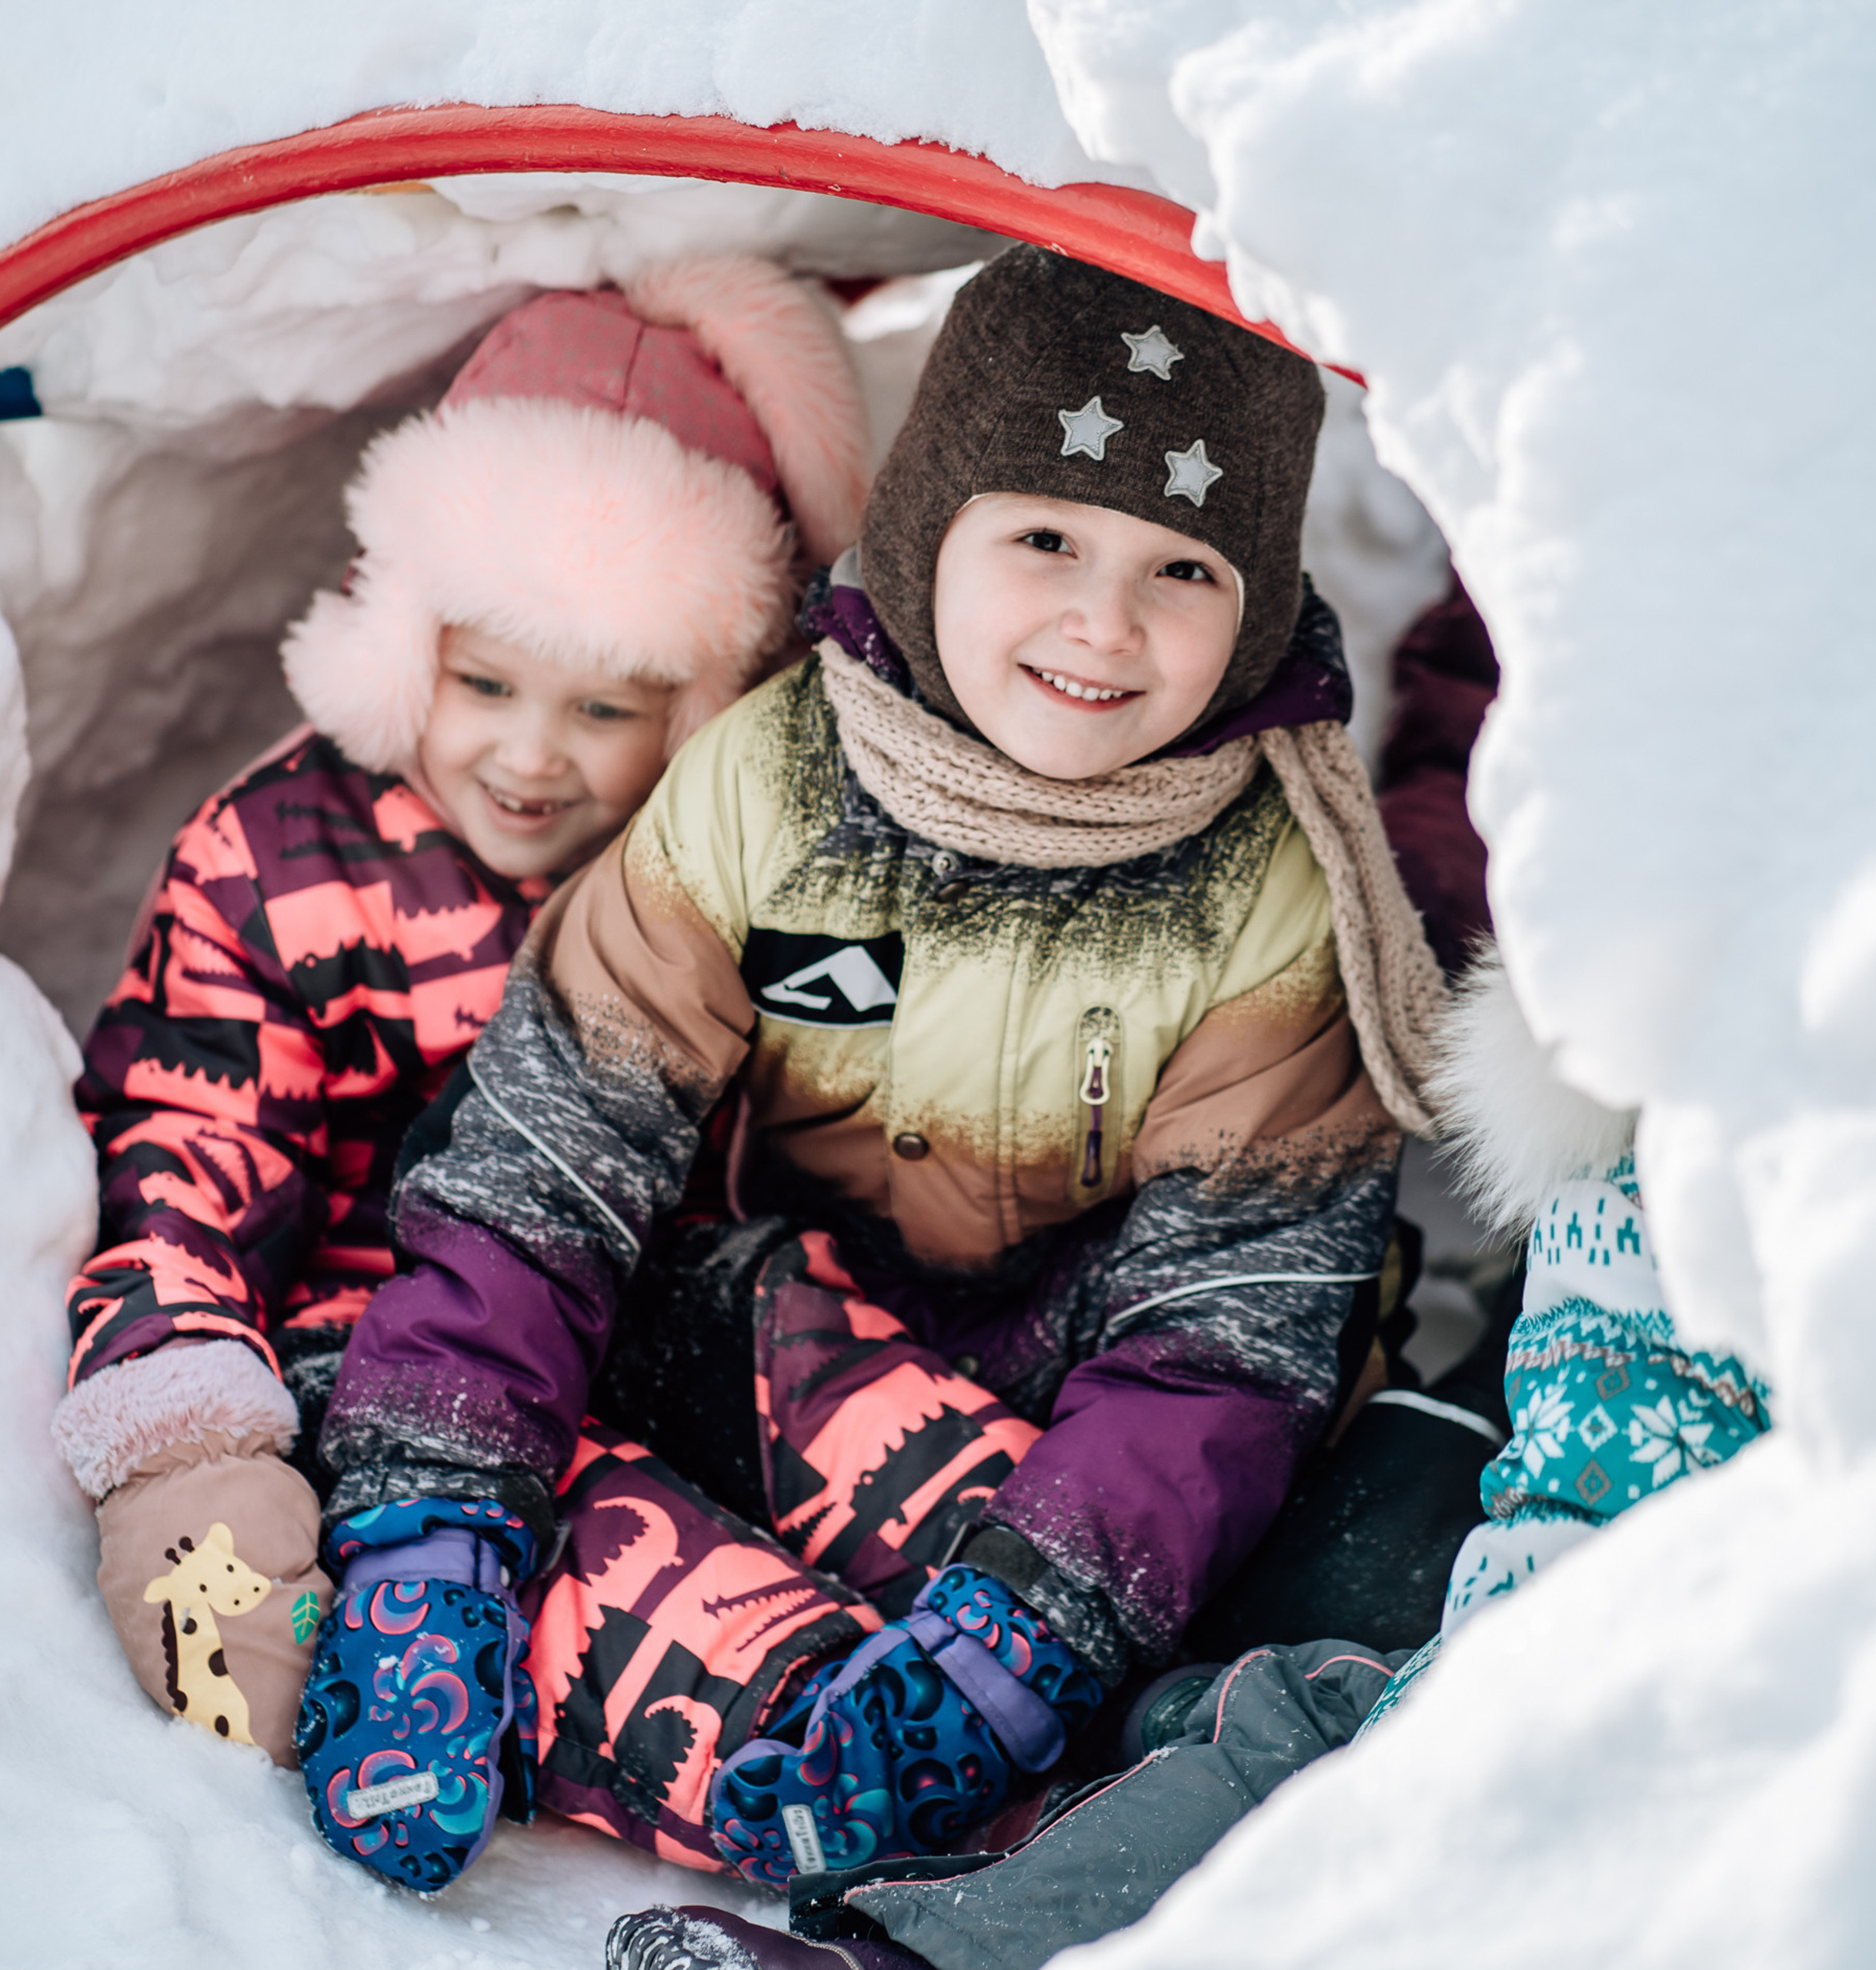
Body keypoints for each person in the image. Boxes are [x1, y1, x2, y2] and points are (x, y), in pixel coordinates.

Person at [299, 243, 1449, 1894]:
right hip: (783, 1326)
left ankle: (1002, 1784)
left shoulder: (1265, 899)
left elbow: (1222, 1338)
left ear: (1256, 603)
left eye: (1180, 569)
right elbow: (548, 1155)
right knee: (619, 1424)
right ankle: (497, 1614)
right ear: (926, 528)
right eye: (1043, 536)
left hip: (1074, 1430)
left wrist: (1023, 1632)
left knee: (1051, 1610)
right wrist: (431, 1500)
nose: (1100, 623)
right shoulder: (768, 782)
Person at [48, 259, 873, 1786]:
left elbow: (865, 1106)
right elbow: (183, 1156)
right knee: (665, 1615)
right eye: (483, 678)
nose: (529, 754)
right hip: (384, 1353)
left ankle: (1051, 1675)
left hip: (681, 1314)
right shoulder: (283, 861)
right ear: (397, 641)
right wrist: (187, 1441)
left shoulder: (727, 871)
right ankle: (829, 1764)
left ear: (701, 713)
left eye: (607, 707)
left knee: (883, 1430)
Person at [600, 946, 1771, 1970]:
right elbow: (1581, 1488)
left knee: (1318, 1713)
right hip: (1569, 1638)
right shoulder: (1675, 1145)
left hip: (1779, 1730)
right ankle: (1010, 1863)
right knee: (1302, 1698)